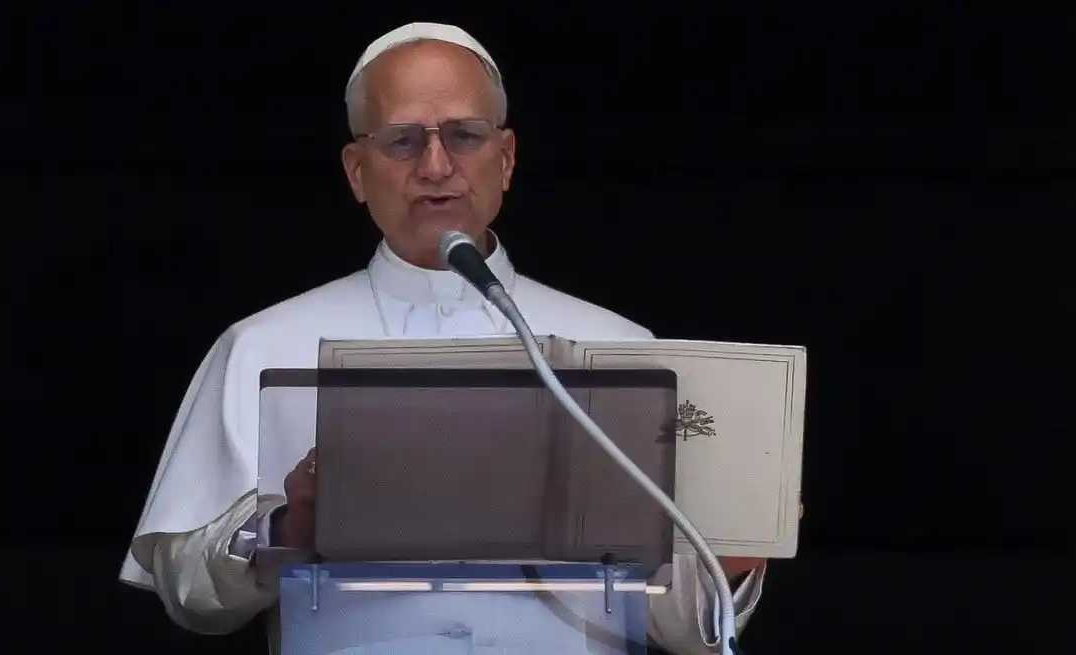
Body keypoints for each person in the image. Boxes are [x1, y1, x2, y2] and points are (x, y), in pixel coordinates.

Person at [121, 22, 767, 655]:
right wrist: (288, 528)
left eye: (464, 135)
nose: (436, 166)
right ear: (356, 170)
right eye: (403, 141)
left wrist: (735, 548)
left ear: (506, 158)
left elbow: (680, 624)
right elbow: (189, 596)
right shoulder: (262, 344)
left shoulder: (617, 345)